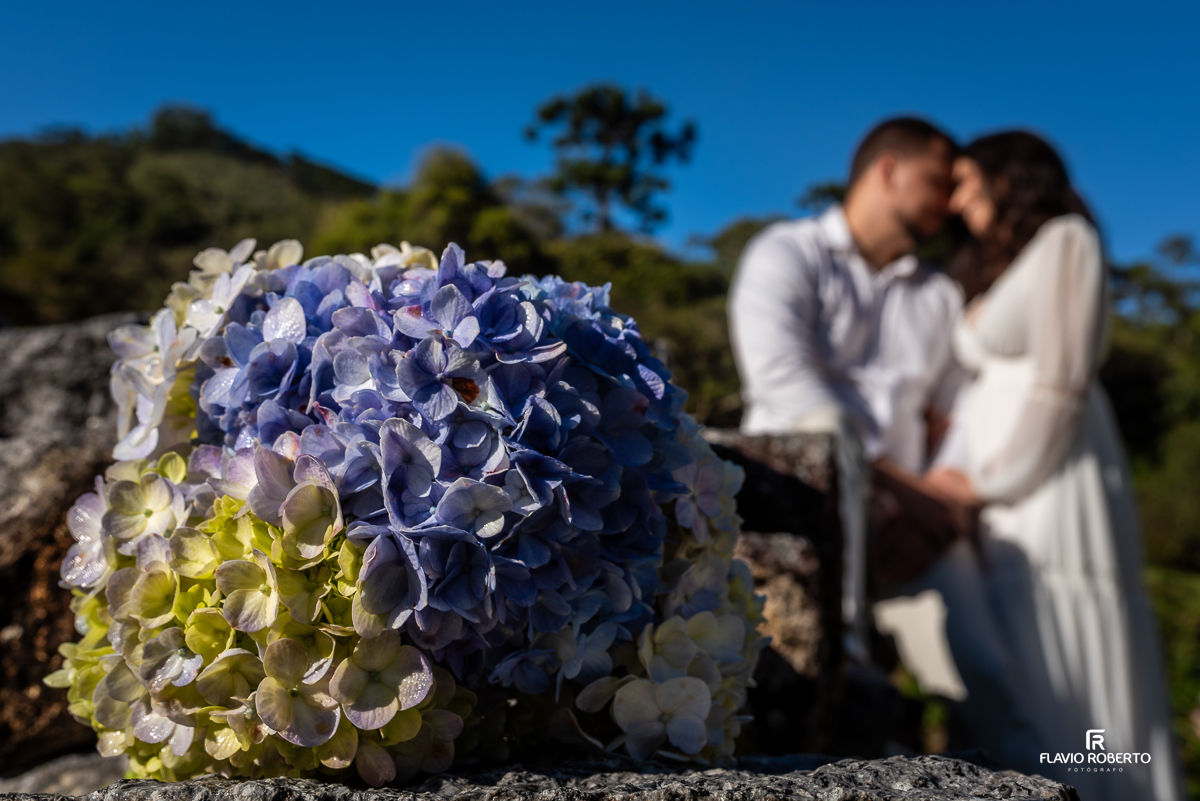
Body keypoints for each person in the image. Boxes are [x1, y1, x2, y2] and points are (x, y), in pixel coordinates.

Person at [923, 131, 1185, 800]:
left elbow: (1060, 387)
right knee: (1027, 656)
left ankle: (1103, 787)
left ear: (1007, 176)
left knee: (1067, 644)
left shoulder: (1068, 239)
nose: (955, 198)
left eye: (966, 180)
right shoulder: (1000, 265)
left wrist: (985, 482)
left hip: (1047, 483)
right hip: (1004, 492)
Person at [728, 117, 966, 656]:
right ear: (888, 171)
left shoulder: (942, 295)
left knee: (990, 657)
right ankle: (846, 644)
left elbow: (955, 414)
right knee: (829, 423)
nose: (948, 201)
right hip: (800, 501)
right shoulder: (786, 252)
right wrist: (903, 494)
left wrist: (938, 516)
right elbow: (784, 383)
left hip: (916, 537)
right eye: (938, 181)